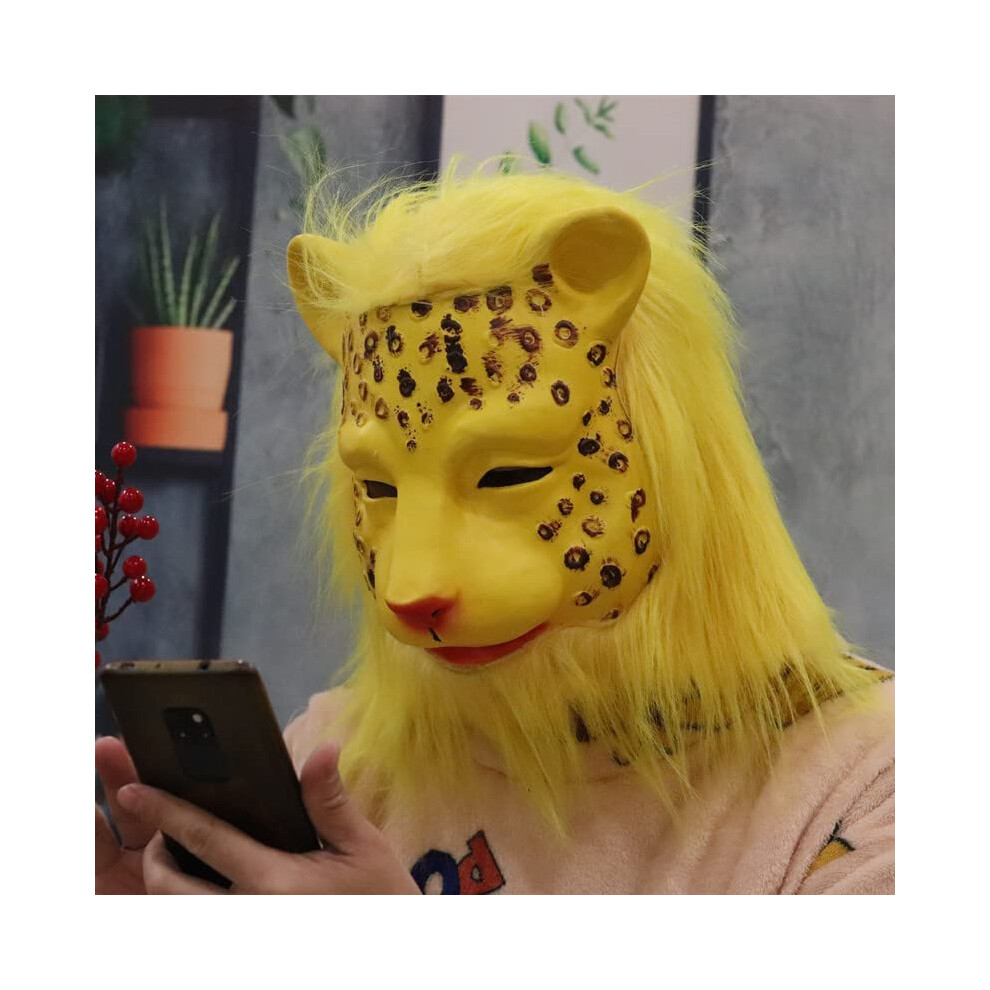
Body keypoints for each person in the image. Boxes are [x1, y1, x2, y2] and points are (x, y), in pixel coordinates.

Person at [95, 169, 893, 894]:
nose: (410, 586)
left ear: (677, 460)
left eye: (508, 475)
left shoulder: (872, 777)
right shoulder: (332, 760)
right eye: (378, 488)